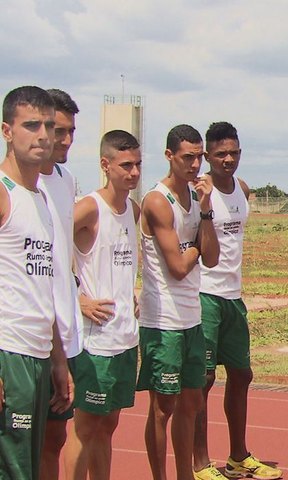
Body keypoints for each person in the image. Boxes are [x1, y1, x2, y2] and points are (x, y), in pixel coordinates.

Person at [192, 122, 282, 480]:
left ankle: (238, 457)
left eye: (234, 152)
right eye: (220, 154)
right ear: (207, 156)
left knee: (242, 374)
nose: (228, 159)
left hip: (233, 296)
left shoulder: (242, 190)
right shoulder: (200, 190)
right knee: (203, 379)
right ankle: (200, 462)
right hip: (205, 295)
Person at [137, 124, 219, 480]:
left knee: (191, 402)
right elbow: (178, 267)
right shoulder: (158, 201)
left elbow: (212, 258)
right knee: (162, 407)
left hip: (192, 317)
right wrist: (197, 248)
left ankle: (185, 474)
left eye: (199, 156)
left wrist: (205, 210)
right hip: (163, 320)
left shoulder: (196, 197)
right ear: (170, 155)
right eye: (188, 157)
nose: (196, 164)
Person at [0, 86, 72, 480]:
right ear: (7, 131)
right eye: (31, 125)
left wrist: (58, 360)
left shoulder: (40, 199)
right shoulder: (3, 192)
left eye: (49, 125)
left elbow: (43, 288)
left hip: (39, 355)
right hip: (8, 353)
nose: (43, 135)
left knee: (29, 466)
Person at [66, 130, 142, 479]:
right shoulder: (88, 208)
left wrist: (131, 292)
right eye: (126, 165)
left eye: (138, 165)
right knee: (85, 428)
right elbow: (48, 250)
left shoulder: (133, 209)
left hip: (126, 338)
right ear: (105, 164)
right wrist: (76, 298)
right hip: (95, 343)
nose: (134, 173)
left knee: (109, 425)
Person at [37, 88, 85, 480]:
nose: (66, 140)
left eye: (71, 131)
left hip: (65, 333)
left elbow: (63, 254)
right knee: (19, 442)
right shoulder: (14, 183)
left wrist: (77, 297)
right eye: (59, 130)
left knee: (56, 436)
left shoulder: (66, 180)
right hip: (25, 332)